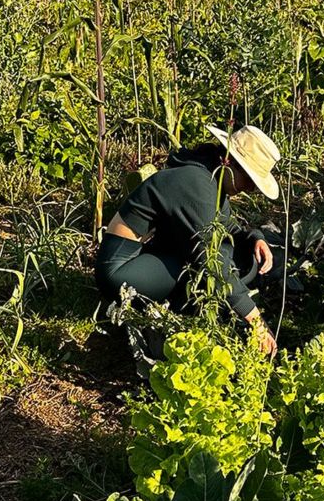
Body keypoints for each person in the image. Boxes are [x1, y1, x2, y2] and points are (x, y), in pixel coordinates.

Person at [95, 124, 281, 355]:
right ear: (231, 163)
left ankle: (188, 306)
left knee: (242, 259)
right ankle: (176, 317)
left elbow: (224, 224)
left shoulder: (208, 176)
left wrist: (254, 238)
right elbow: (211, 261)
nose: (250, 189)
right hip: (120, 269)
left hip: (146, 254)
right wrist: (256, 321)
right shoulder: (195, 184)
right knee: (219, 265)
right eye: (250, 181)